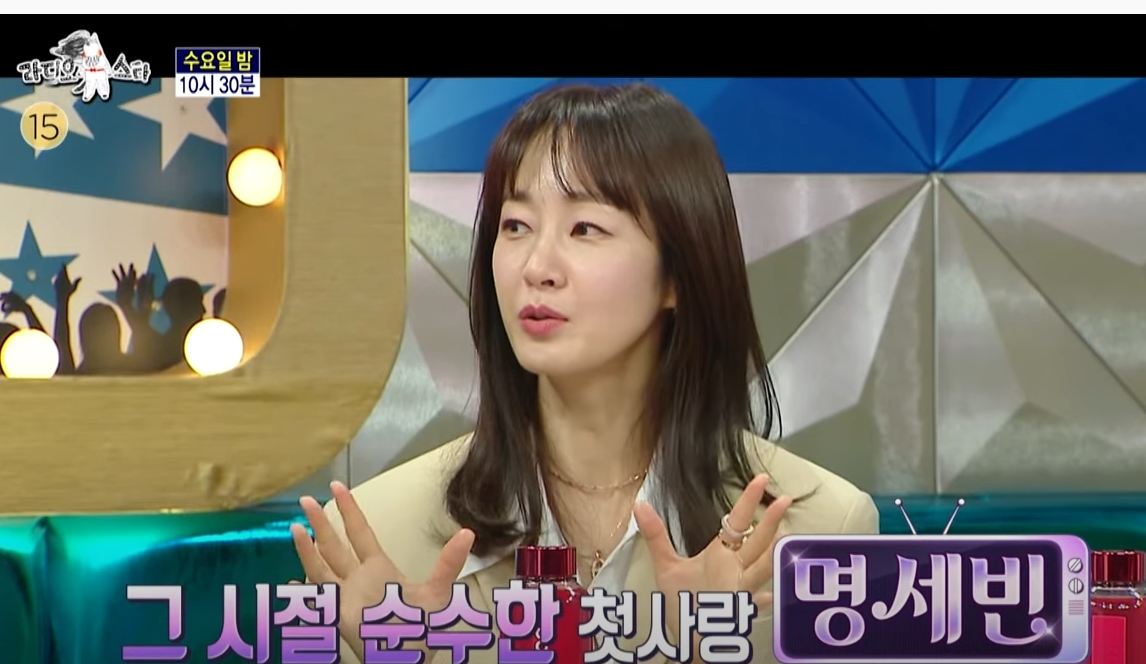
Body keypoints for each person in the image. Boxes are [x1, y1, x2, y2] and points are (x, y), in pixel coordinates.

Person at [291, 82, 880, 664]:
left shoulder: (821, 533)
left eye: (584, 229)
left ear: (678, 274)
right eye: (516, 225)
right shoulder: (376, 538)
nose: (537, 266)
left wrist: (707, 650)